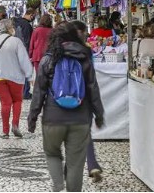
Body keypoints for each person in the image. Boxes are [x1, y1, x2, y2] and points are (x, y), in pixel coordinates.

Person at [28, 22, 105, 192]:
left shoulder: (48, 59)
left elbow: (39, 92)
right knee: (75, 162)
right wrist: (99, 114)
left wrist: (32, 117)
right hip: (80, 120)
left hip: (53, 119)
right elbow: (93, 88)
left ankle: (58, 185)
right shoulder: (85, 57)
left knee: (52, 154)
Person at [0, 19, 33, 139]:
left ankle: (5, 131)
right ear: (10, 28)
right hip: (15, 76)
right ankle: (15, 124)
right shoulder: (16, 42)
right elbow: (24, 60)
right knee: (17, 100)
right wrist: (30, 75)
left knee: (5, 102)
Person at [71, 20, 103, 183]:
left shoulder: (58, 49)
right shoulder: (87, 51)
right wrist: (98, 110)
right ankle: (92, 164)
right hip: (83, 96)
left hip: (64, 98)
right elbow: (92, 80)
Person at [13, 7, 36, 99]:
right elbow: (27, 40)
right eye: (33, 16)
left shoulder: (17, 22)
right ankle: (25, 93)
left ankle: (20, 91)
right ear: (31, 15)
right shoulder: (26, 25)